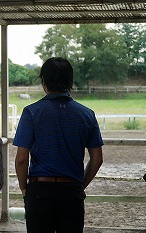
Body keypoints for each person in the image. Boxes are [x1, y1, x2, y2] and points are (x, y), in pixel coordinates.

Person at [13, 57, 104, 233]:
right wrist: (79, 185)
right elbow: (97, 159)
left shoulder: (31, 112)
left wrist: (25, 189)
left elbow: (21, 160)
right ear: (69, 82)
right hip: (72, 192)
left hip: (40, 191)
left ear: (44, 81)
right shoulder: (86, 114)